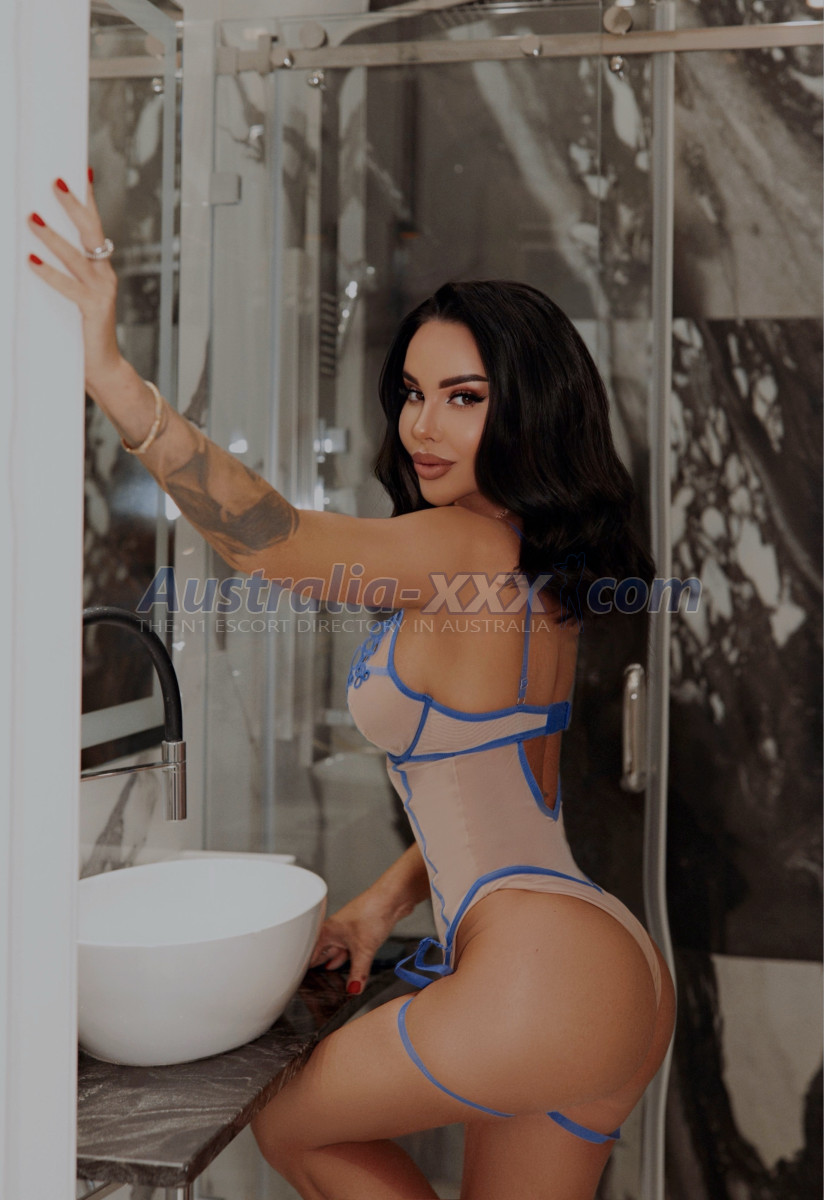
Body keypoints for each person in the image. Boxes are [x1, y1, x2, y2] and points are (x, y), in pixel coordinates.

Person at [29, 174, 676, 1200]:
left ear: (530, 409)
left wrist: (110, 374)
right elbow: (497, 797)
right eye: (413, 393)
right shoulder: (531, 562)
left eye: (464, 398)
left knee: (289, 1123)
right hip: (604, 968)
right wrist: (377, 907)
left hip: (535, 977)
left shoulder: (460, 543)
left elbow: (272, 540)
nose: (424, 426)